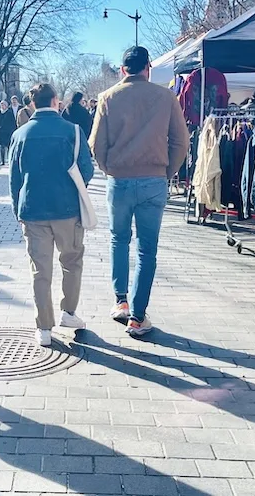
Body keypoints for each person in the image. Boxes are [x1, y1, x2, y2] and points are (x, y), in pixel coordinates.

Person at [90, 46, 190, 336]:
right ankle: (137, 316)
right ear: (148, 68)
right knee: (147, 250)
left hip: (119, 181)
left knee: (118, 239)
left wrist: (111, 169)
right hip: (153, 180)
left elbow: (96, 144)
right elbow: (181, 142)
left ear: (123, 70)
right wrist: (166, 172)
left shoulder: (107, 98)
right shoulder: (166, 97)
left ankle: (119, 300)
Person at [10, 84, 93, 346]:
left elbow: (14, 178)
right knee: (71, 261)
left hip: (32, 209)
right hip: (67, 209)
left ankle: (44, 327)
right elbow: (86, 170)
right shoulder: (73, 131)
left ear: (33, 104)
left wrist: (18, 209)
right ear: (56, 101)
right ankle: (69, 312)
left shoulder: (20, 134)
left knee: (40, 270)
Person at [0, 99, 16, 166]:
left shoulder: (10, 112)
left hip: (8, 132)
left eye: (4, 104)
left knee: (9, 146)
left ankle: (10, 159)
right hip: (2, 132)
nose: (2, 106)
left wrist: (12, 130)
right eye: (1, 105)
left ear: (6, 105)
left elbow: (13, 122)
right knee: (2, 147)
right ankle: (2, 160)